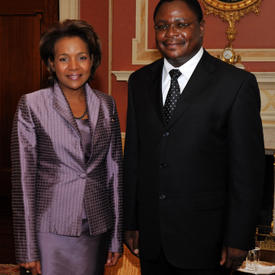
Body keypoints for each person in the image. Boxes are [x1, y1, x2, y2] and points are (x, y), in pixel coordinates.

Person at [123, 0, 265, 274]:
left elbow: (247, 171)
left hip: (207, 242)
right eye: (162, 26)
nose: (170, 33)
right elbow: (134, 158)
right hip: (152, 239)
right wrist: (131, 221)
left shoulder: (235, 85)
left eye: (181, 25)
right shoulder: (139, 82)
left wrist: (238, 237)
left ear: (201, 27)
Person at [11, 19, 123, 275]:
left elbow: (115, 174)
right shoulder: (32, 105)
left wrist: (115, 236)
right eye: (63, 59)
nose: (73, 66)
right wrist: (27, 248)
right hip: (50, 230)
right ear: (51, 63)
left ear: (92, 60)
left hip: (96, 228)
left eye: (81, 57)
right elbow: (23, 182)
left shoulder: (107, 105)